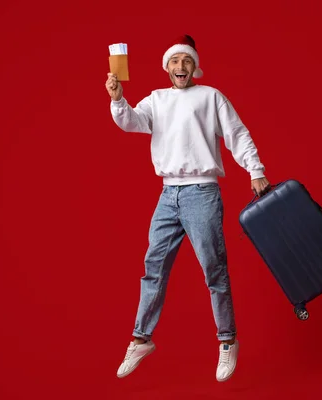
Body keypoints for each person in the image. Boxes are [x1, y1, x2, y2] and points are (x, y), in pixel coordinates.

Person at [105, 34, 271, 382]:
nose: (180, 66)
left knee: (214, 269)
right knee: (154, 267)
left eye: (186, 61)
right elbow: (133, 122)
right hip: (168, 195)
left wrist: (255, 170)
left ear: (194, 66)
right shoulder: (157, 99)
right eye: (174, 61)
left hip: (202, 193)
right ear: (166, 68)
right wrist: (119, 100)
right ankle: (141, 338)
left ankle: (227, 341)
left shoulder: (210, 97)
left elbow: (236, 134)